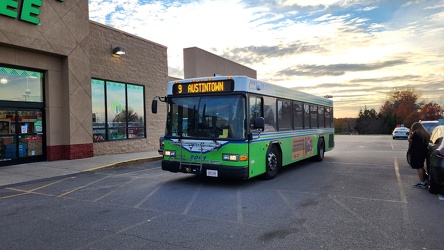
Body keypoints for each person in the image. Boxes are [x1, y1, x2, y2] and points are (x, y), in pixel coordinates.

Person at [408, 122, 430, 189]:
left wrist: (409, 134)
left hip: (417, 152)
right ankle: (423, 181)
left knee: (419, 167)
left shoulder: (416, 133)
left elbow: (410, 140)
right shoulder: (425, 133)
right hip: (423, 152)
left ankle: (422, 182)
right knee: (421, 166)